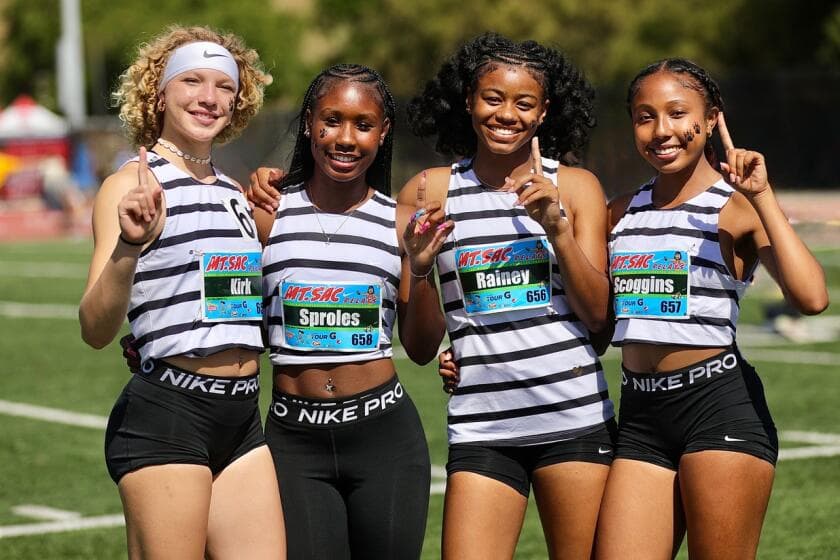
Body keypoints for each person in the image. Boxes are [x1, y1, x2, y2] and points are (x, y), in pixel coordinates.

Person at [594, 58, 829, 560]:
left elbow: (811, 298)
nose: (663, 131)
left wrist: (763, 195)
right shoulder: (619, 211)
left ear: (712, 119)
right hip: (640, 415)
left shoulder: (737, 205)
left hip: (717, 406)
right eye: (645, 116)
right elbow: (593, 319)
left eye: (678, 113)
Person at [402, 33, 616, 559]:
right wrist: (422, 269)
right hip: (482, 424)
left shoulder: (576, 186)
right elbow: (421, 348)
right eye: (492, 98)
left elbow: (599, 320)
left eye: (524, 103)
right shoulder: (428, 191)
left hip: (575, 419)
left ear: (544, 113)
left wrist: (557, 229)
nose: (506, 115)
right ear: (468, 100)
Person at [78, 26, 284, 559]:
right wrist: (129, 244)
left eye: (224, 87)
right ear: (159, 92)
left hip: (242, 418)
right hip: (169, 415)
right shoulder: (131, 185)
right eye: (191, 80)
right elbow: (95, 329)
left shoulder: (236, 192)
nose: (208, 98)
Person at [252, 64, 452, 559]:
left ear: (383, 134)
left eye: (363, 125)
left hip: (384, 438)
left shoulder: (403, 224)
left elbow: (423, 349)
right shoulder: (263, 213)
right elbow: (232, 309)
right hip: (292, 439)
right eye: (332, 120)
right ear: (307, 123)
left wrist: (422, 268)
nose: (345, 138)